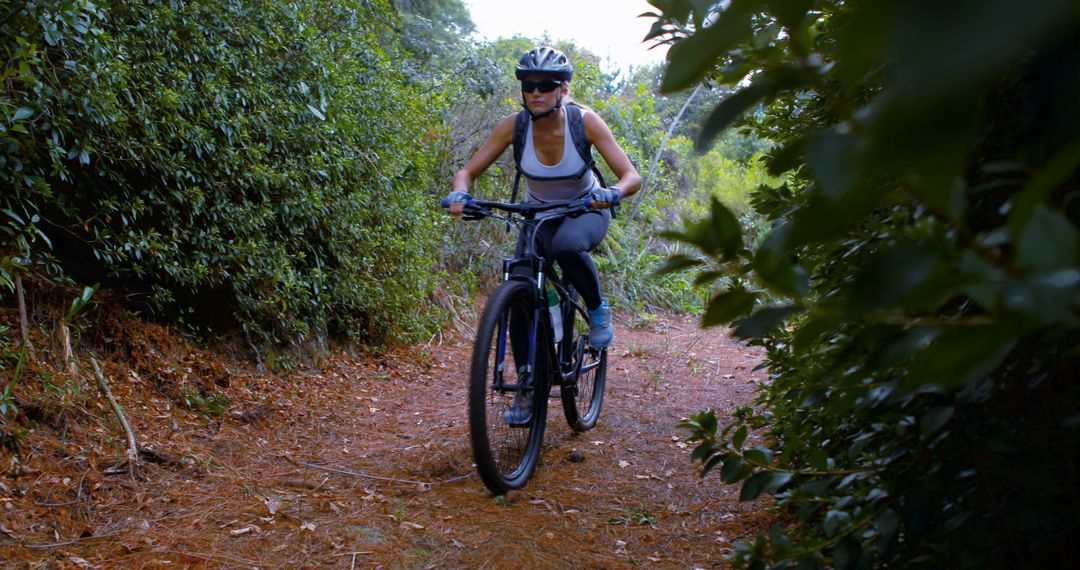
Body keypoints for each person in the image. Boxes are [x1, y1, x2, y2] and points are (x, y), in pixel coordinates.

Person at [445, 46, 642, 355]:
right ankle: (526, 388)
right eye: (529, 86)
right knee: (519, 287)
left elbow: (631, 176)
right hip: (537, 216)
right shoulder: (514, 126)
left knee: (565, 246)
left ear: (562, 89)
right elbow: (467, 171)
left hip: (585, 210)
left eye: (546, 85)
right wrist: (460, 192)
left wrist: (612, 193)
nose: (536, 92)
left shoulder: (584, 122)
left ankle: (597, 309)